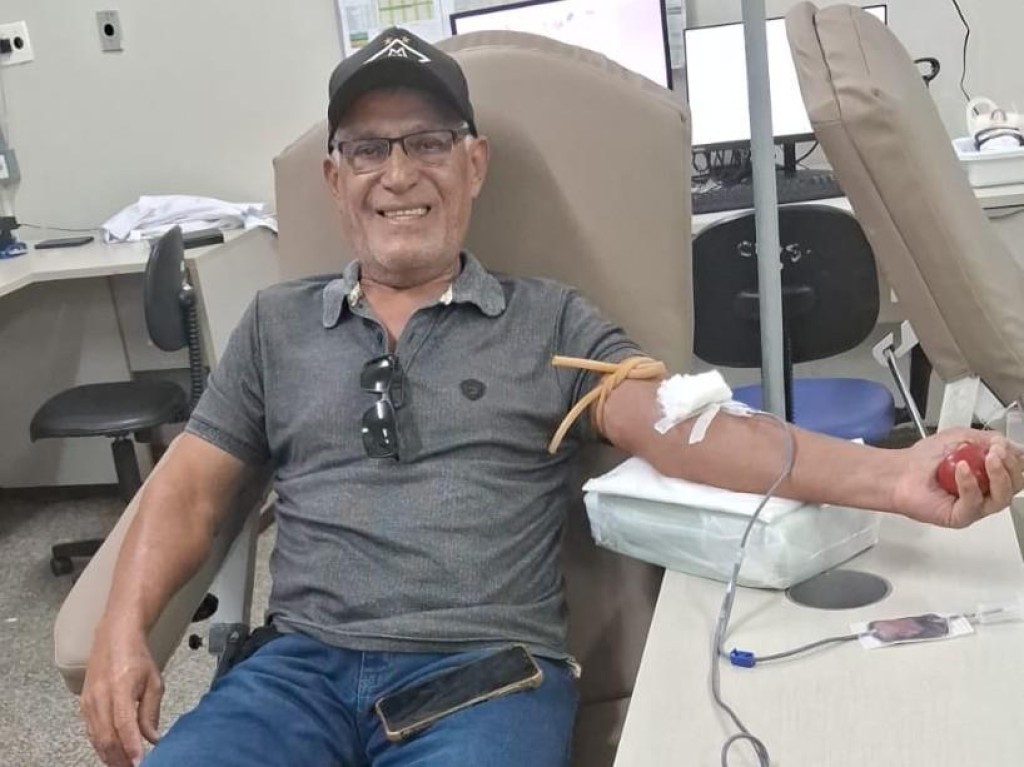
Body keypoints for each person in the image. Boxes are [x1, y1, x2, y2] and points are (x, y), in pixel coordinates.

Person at [80, 27, 1024, 767]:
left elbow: (690, 431)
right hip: (295, 673)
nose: (398, 173)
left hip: (484, 677)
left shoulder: (550, 323)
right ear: (335, 178)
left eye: (428, 142)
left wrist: (894, 477)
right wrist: (124, 629)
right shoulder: (275, 326)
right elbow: (190, 491)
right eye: (367, 149)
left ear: (474, 164)